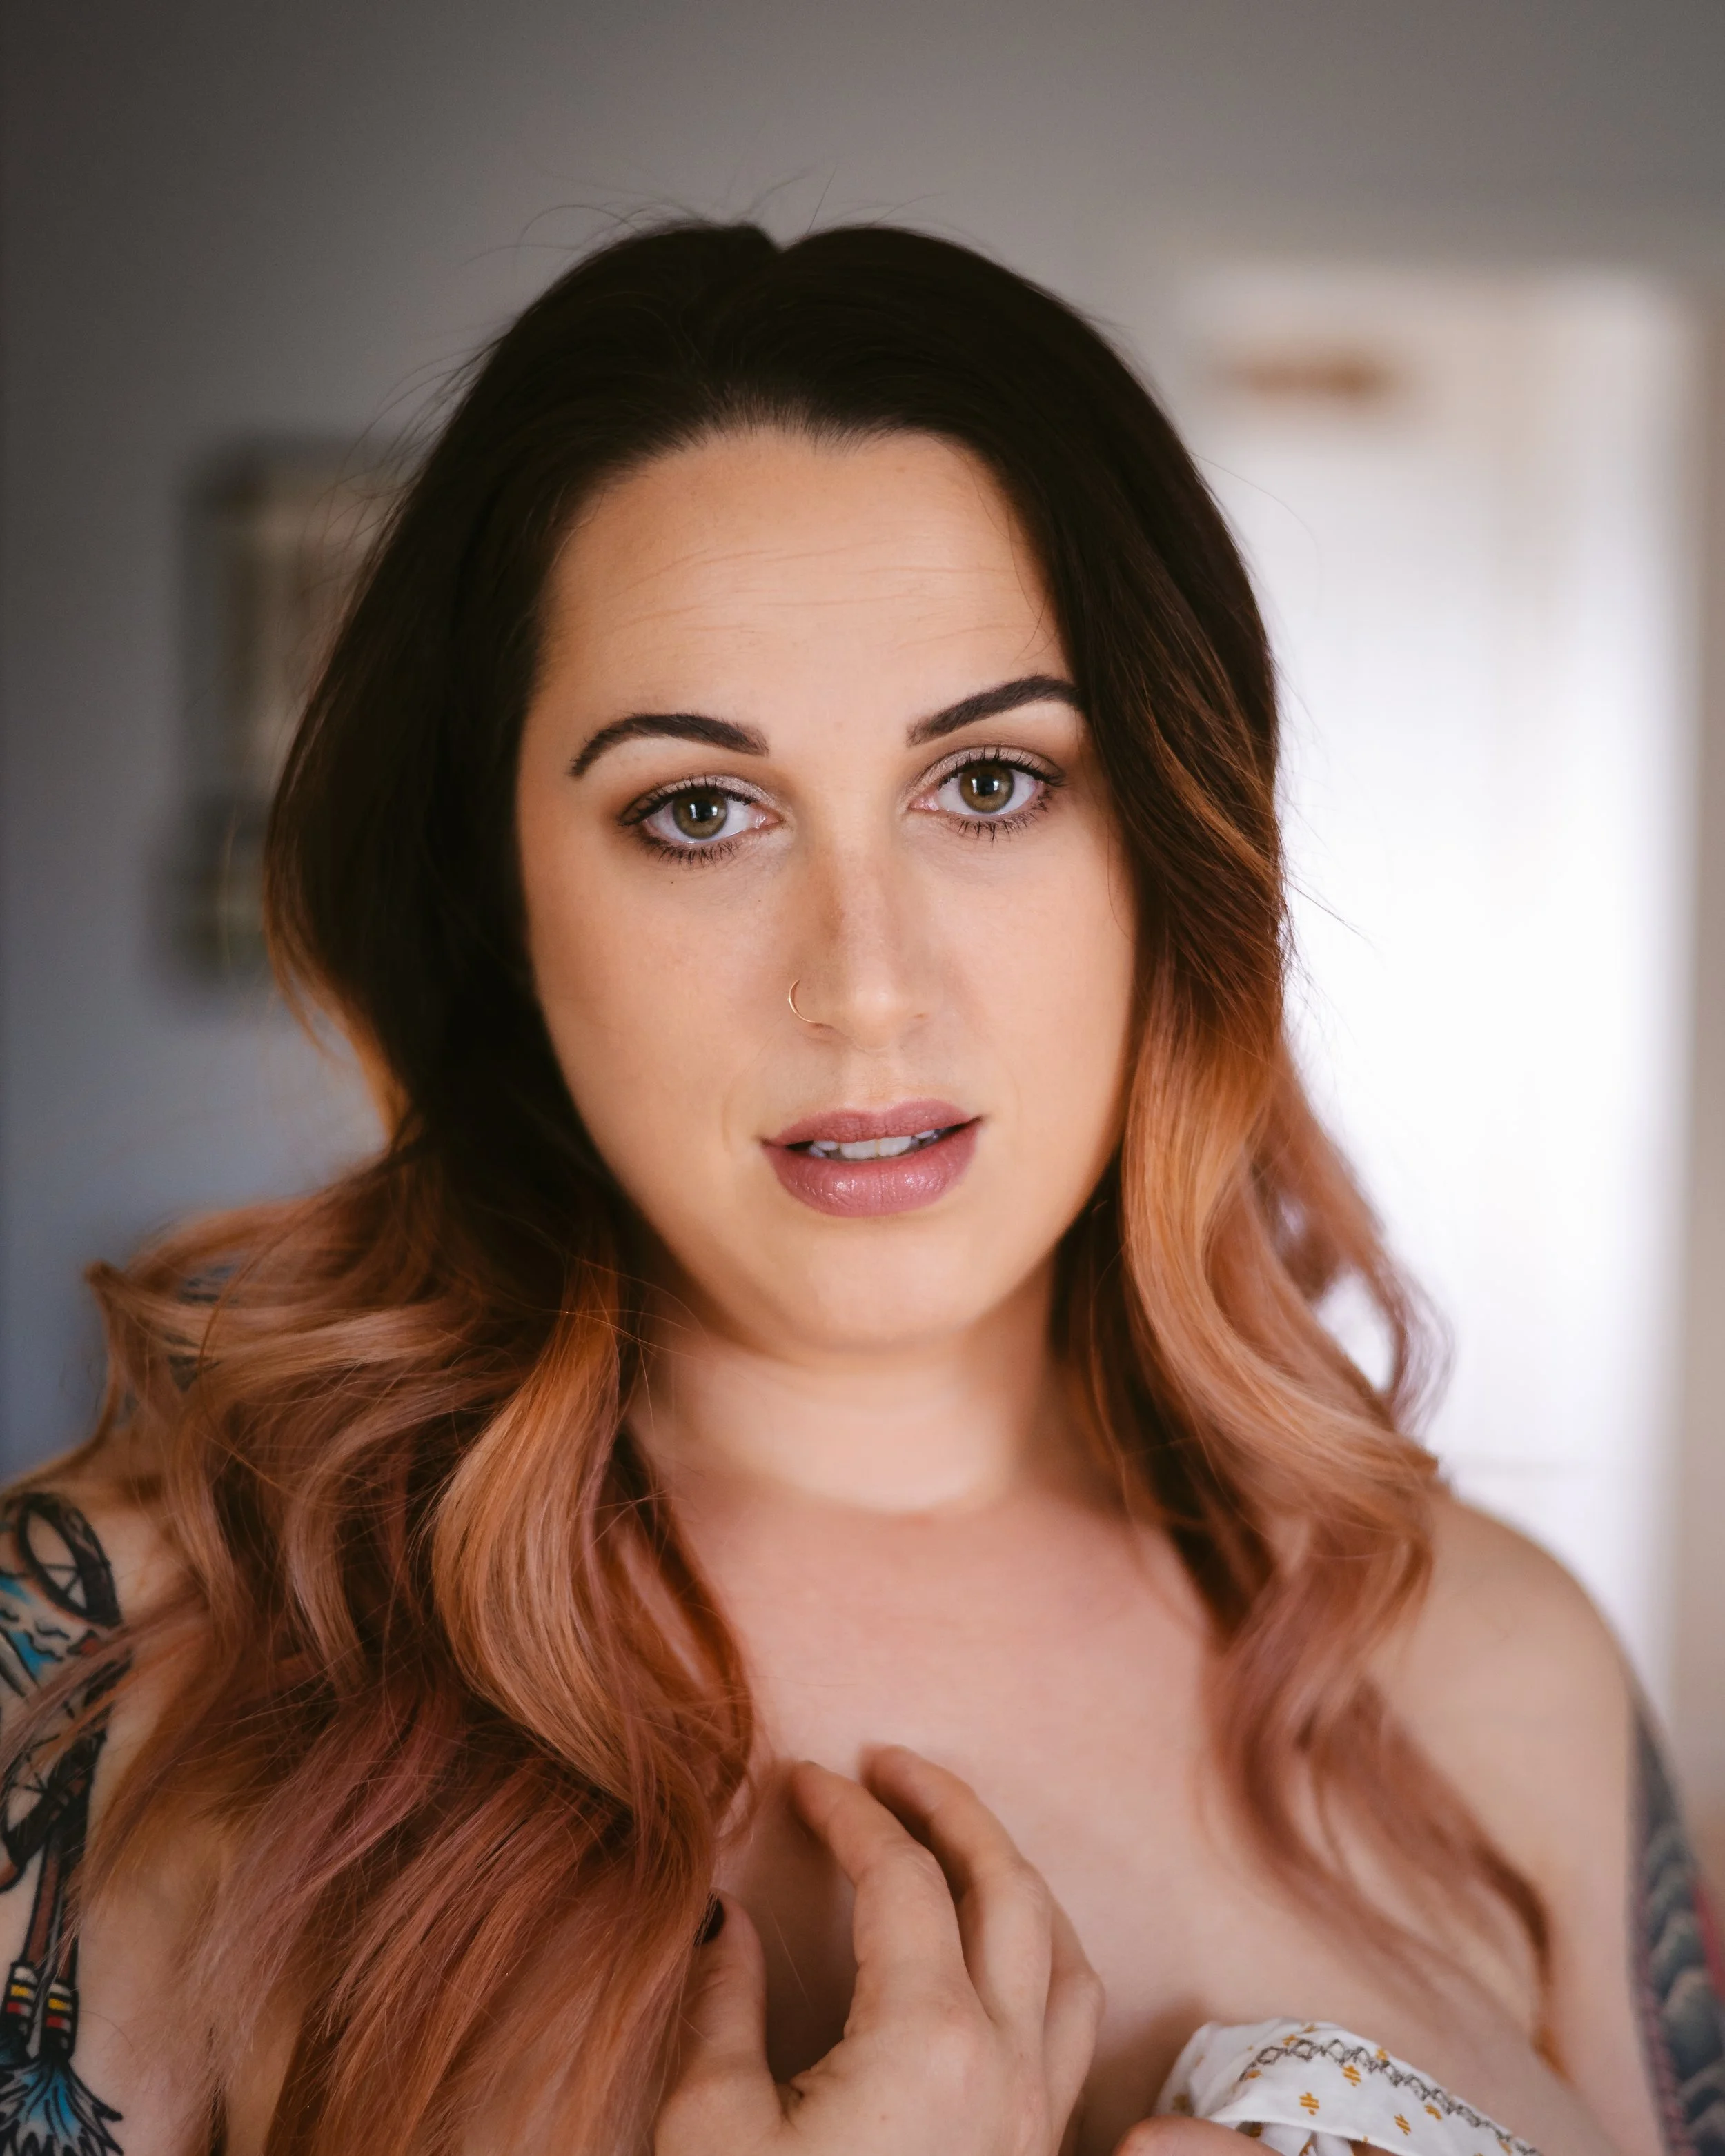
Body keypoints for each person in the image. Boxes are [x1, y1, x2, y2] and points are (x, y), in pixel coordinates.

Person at [1, 219, 1718, 2156]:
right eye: (698, 811)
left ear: (1172, 840)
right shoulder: (136, 1666)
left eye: (987, 781)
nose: (867, 981)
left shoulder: (1497, 1672)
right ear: (499, 903)